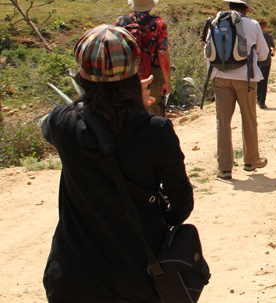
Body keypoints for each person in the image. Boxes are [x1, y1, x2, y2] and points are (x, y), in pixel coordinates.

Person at [42, 25, 193, 303]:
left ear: (81, 75)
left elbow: (58, 122)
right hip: (138, 278)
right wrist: (157, 221)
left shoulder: (62, 123)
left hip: (72, 279)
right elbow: (182, 202)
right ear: (135, 72)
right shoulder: (156, 130)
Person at [210, 0, 270, 180]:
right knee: (248, 118)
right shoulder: (252, 24)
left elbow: (207, 51)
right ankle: (251, 160)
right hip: (246, 78)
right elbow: (264, 53)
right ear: (245, 9)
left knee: (223, 122)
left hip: (220, 76)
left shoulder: (216, 22)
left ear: (230, 6)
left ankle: (224, 168)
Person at [116, 0, 172, 117]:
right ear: (150, 6)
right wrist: (167, 81)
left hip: (128, 74)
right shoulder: (158, 24)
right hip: (152, 73)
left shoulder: (121, 22)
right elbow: (163, 55)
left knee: (129, 113)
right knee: (153, 112)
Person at [256, 19, 276, 109]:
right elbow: (274, 48)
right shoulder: (268, 36)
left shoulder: (255, 35)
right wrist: (273, 53)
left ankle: (257, 98)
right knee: (264, 81)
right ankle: (262, 102)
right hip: (266, 61)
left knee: (257, 80)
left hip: (256, 61)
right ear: (266, 27)